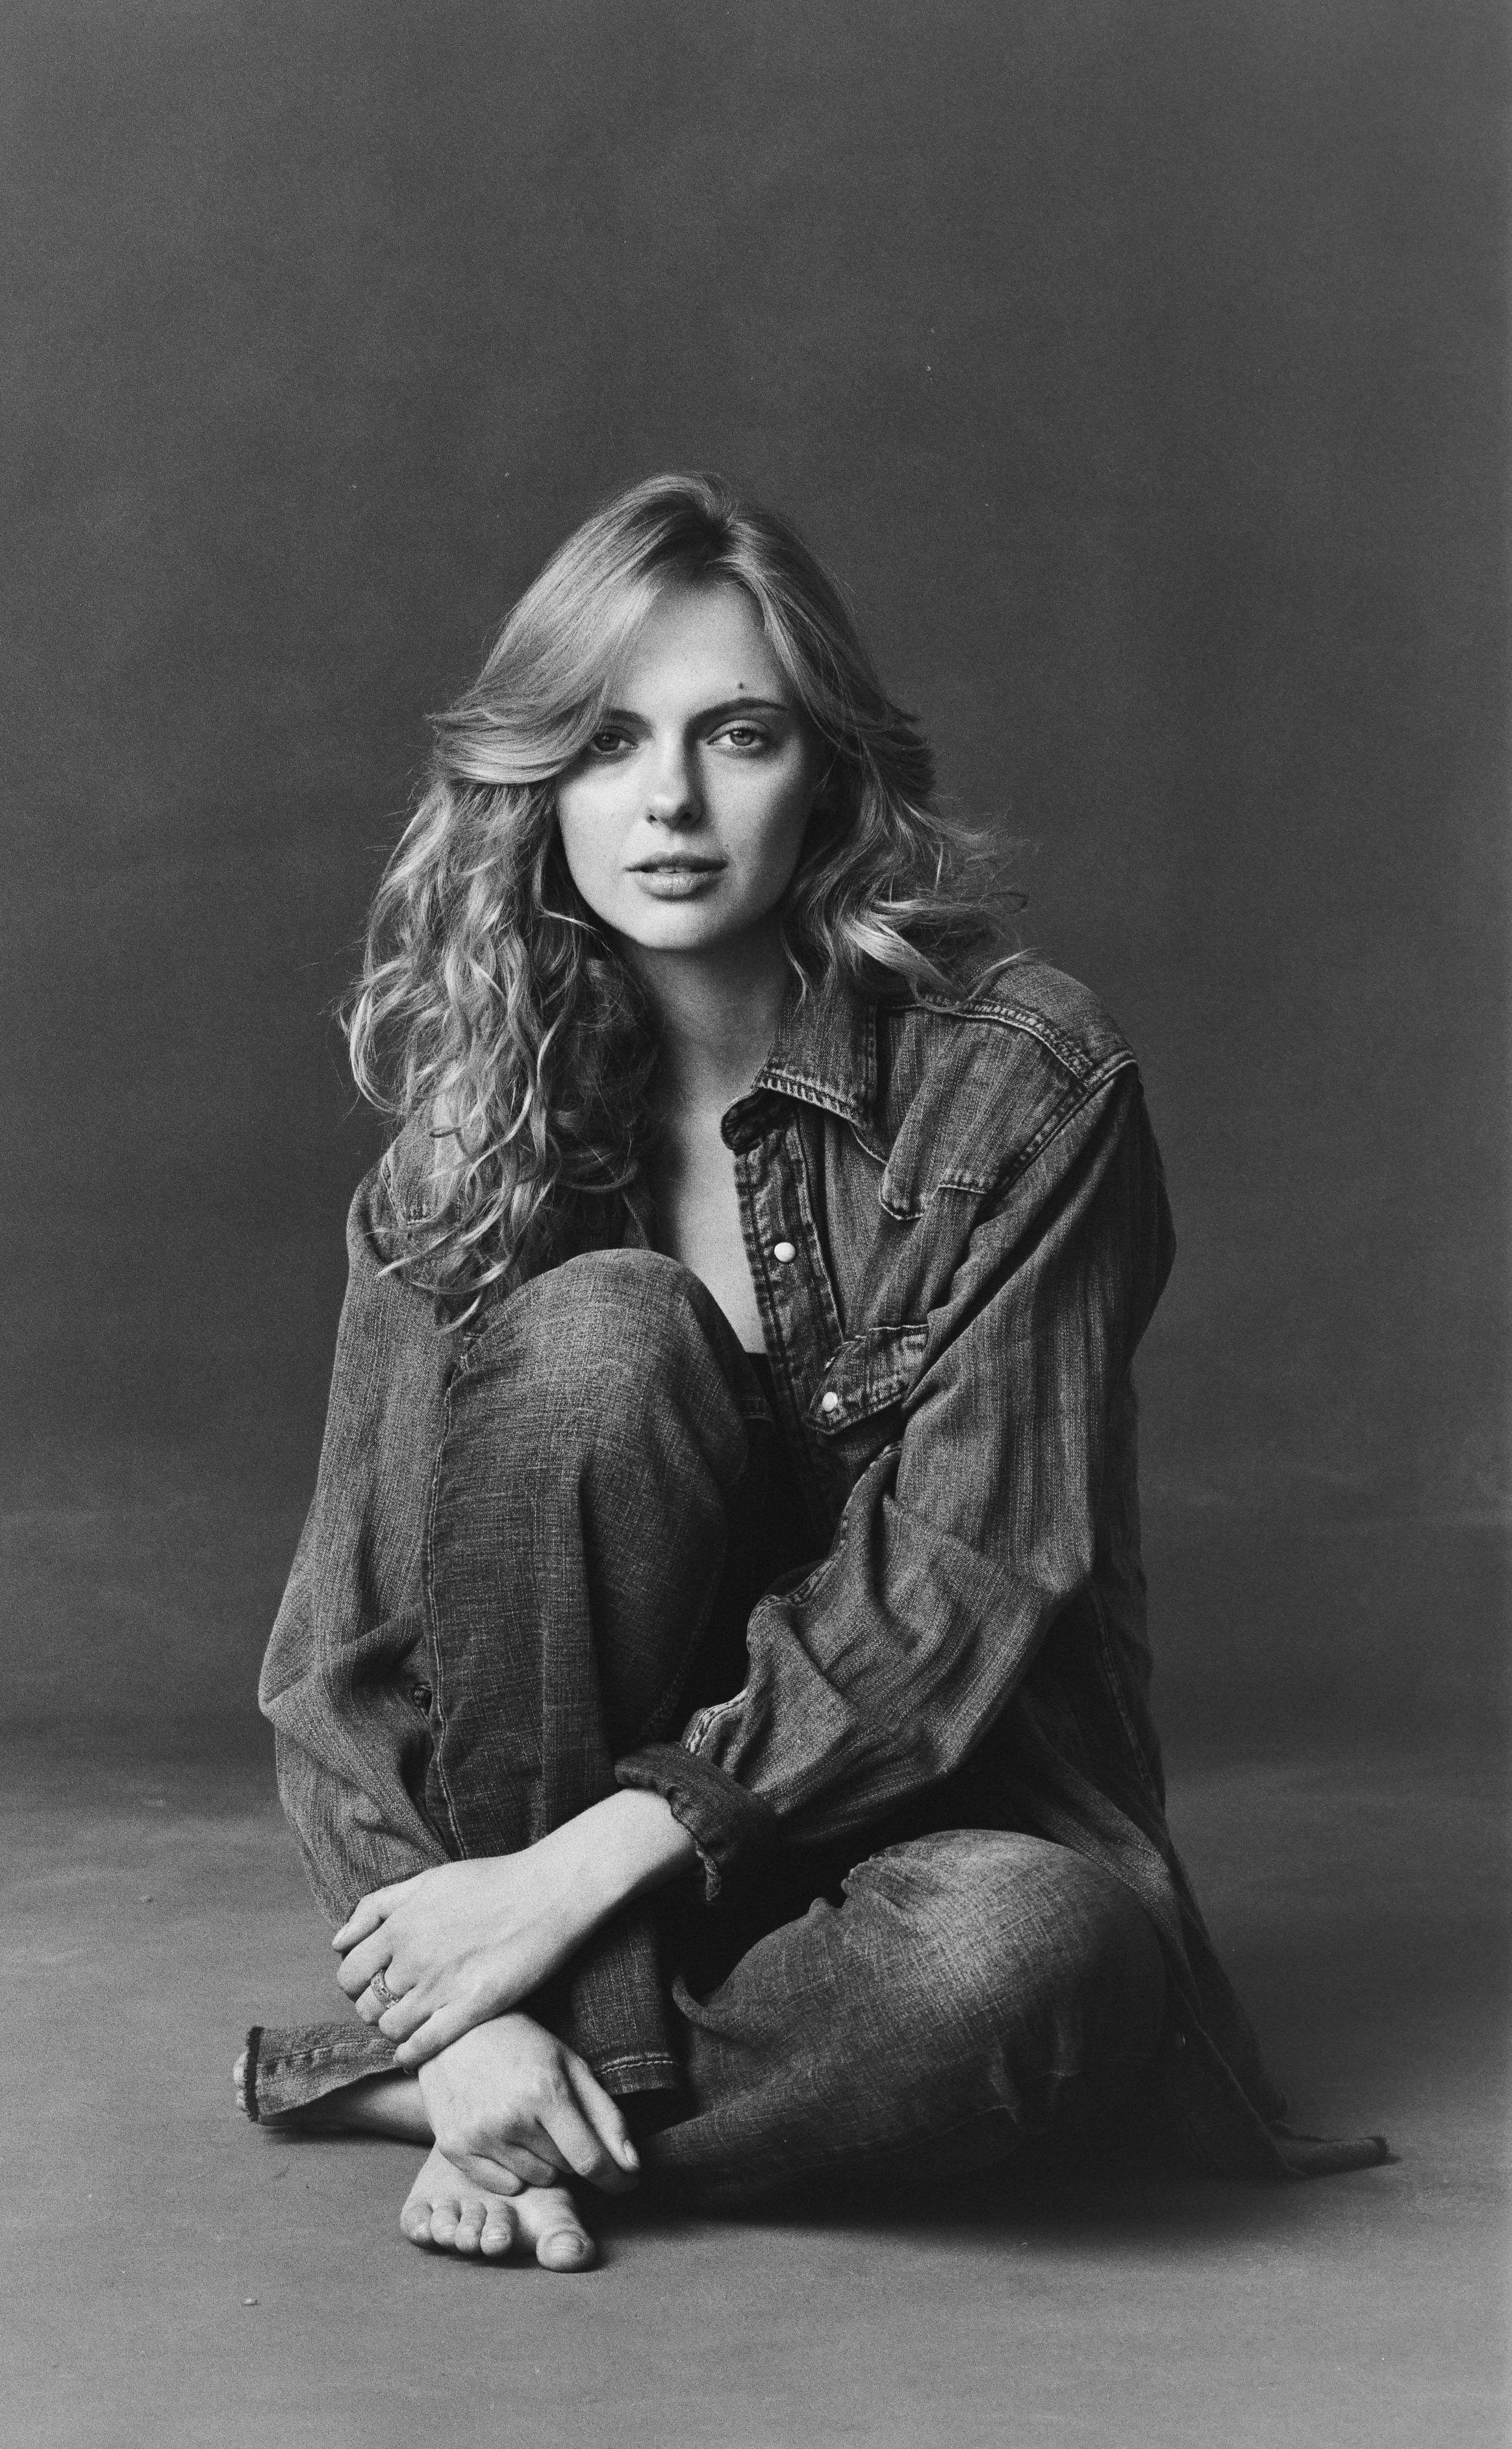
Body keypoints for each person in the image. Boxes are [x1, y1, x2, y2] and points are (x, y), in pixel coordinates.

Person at [235, 473, 1385, 2270]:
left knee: (1037, 1960)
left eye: (737, 735)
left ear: (827, 769)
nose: (670, 803)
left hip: (899, 1851)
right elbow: (337, 1659)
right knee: (601, 1333)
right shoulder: (478, 1134)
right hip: (581, 1891)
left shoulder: (1020, 1079)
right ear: (535, 786)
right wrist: (477, 1989)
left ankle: (516, 2106)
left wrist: (540, 1909)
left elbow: (966, 1572)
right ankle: (549, 2057)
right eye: (606, 742)